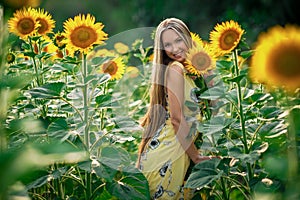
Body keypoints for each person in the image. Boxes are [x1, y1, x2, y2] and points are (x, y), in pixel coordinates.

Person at [136, 18, 212, 199]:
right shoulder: (176, 69)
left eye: (178, 40)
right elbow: (177, 120)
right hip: (168, 158)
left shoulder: (189, 72)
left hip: (175, 154)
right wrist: (197, 158)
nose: (175, 48)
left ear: (188, 38)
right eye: (167, 44)